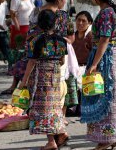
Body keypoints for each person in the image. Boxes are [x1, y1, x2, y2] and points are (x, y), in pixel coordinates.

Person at [81, 0, 116, 150]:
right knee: (105, 96)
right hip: (106, 55)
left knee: (107, 97)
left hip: (106, 58)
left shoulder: (106, 13)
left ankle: (110, 136)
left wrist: (94, 64)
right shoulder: (108, 11)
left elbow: (104, 39)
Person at [1, 0, 74, 96]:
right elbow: (71, 38)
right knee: (58, 95)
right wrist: (61, 43)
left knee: (36, 92)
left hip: (35, 57)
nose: (64, 1)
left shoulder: (36, 12)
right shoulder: (64, 15)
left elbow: (30, 37)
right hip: (58, 60)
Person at [19, 9, 68, 150]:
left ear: (39, 23)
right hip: (55, 76)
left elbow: (32, 61)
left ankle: (51, 142)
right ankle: (61, 133)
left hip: (41, 78)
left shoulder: (38, 40)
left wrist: (24, 81)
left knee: (44, 109)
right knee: (54, 106)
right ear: (55, 23)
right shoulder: (61, 40)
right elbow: (62, 60)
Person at [65, 11, 93, 115]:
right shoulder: (73, 36)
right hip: (74, 67)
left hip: (86, 68)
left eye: (83, 21)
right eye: (78, 20)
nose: (80, 23)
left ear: (89, 23)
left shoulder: (90, 36)